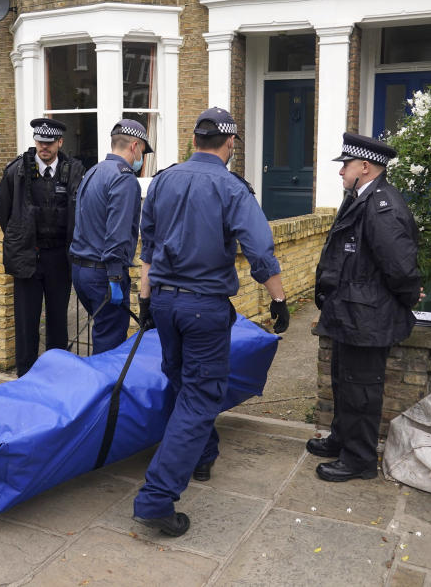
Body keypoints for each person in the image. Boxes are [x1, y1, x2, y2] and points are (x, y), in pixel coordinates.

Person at [132, 107, 290, 537]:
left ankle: (202, 455)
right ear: (230, 143)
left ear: (196, 140)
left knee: (183, 382)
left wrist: (145, 300)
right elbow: (260, 249)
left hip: (164, 302)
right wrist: (278, 300)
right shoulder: (230, 187)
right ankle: (157, 498)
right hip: (203, 308)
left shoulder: (163, 179)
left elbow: (147, 247)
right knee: (202, 396)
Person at [307, 132, 421, 482]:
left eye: (346, 165)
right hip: (350, 313)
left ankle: (358, 459)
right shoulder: (361, 196)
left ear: (366, 166)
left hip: (368, 317)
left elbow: (399, 267)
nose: (341, 171)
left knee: (362, 390)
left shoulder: (382, 205)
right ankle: (343, 439)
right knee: (345, 383)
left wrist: (408, 296)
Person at [0, 118, 85, 376]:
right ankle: (26, 375)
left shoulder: (75, 170)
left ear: (60, 142)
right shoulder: (16, 171)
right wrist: (22, 239)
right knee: (26, 320)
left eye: (48, 143)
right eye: (39, 142)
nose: (43, 147)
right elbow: (4, 212)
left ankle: (56, 374)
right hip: (28, 255)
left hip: (59, 256)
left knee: (58, 319)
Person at [70, 119, 149, 353]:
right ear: (134, 146)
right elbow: (119, 232)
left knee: (102, 333)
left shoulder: (93, 171)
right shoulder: (124, 178)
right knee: (109, 345)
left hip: (81, 269)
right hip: (104, 273)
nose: (142, 157)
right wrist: (115, 276)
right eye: (143, 150)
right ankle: (107, 390)